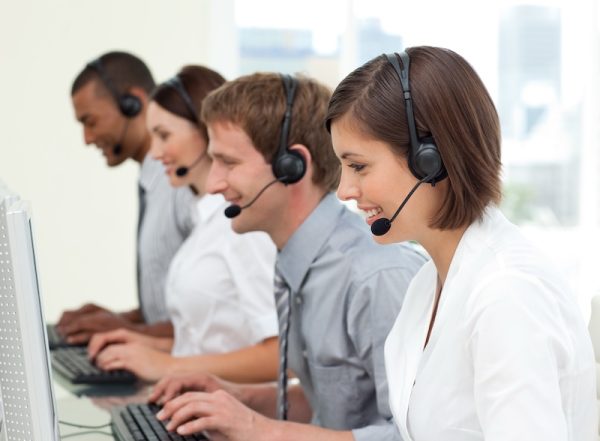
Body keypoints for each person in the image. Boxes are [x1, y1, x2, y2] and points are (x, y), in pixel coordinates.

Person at [326, 46, 598, 440]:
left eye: (358, 166)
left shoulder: (507, 294)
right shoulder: (429, 283)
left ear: (431, 160)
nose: (344, 190)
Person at [149, 72, 426, 440]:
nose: (214, 184)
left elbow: (414, 434)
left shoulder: (374, 277)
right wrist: (238, 397)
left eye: (228, 163)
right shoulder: (296, 263)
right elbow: (334, 406)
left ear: (291, 167)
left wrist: (259, 430)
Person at [86, 66, 279, 384]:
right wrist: (143, 346)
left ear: (207, 132)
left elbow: (279, 355)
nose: (156, 152)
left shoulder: (243, 228)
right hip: (195, 405)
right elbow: (204, 341)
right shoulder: (204, 220)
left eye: (164, 136)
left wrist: (164, 365)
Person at [58, 51, 195, 343]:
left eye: (90, 121)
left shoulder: (183, 184)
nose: (87, 139)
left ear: (133, 102)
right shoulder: (152, 180)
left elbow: (215, 321)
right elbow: (174, 307)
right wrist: (122, 319)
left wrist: (128, 332)